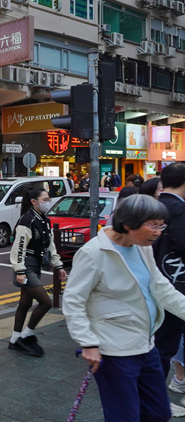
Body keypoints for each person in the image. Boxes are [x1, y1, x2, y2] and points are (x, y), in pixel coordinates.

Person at [63, 194, 185, 422]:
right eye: (153, 225)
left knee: (158, 412)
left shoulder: (142, 247)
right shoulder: (93, 253)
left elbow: (161, 289)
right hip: (114, 352)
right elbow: (73, 301)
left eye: (161, 225)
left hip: (146, 345)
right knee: (124, 417)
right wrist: (88, 342)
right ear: (128, 224)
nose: (159, 231)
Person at [9, 187, 66, 357]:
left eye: (49, 199)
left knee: (25, 304)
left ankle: (14, 340)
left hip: (36, 264)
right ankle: (26, 335)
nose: (48, 202)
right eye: (45, 199)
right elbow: (18, 247)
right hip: (26, 266)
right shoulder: (26, 220)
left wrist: (59, 265)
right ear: (34, 201)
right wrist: (20, 270)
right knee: (46, 302)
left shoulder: (44, 220)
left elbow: (50, 245)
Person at [151, 163, 185, 415]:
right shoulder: (179, 209)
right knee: (164, 348)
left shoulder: (152, 205)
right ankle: (156, 399)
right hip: (172, 286)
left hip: (149, 286)